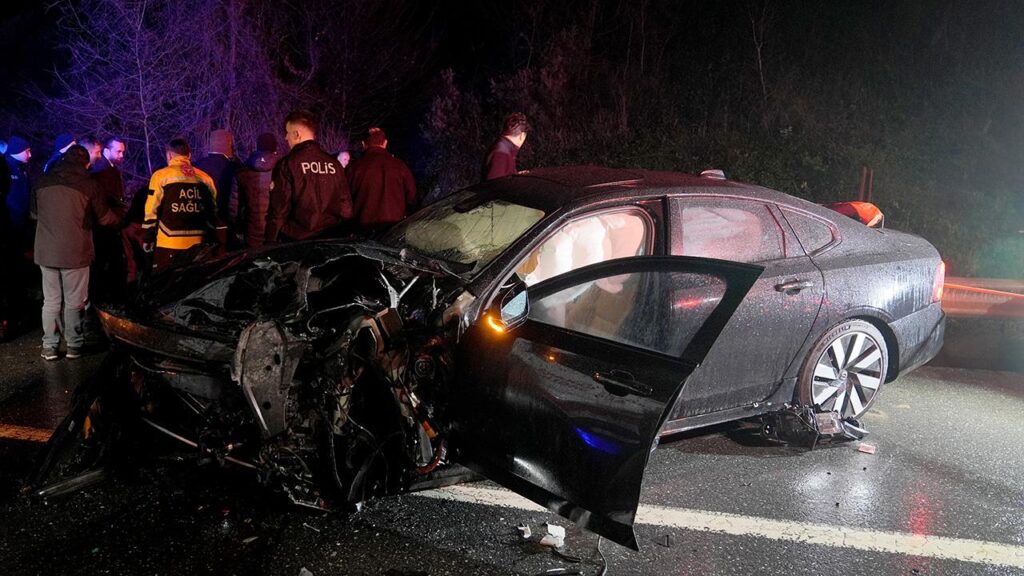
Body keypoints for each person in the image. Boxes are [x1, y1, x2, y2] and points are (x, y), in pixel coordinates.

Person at [32, 145, 123, 360]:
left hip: (46, 251)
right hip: (76, 251)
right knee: (75, 301)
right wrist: (120, 216)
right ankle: (74, 344)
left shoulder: (42, 181)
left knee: (51, 300)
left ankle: (50, 346)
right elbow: (105, 218)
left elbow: (33, 214)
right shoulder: (90, 185)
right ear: (85, 163)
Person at [265, 110, 353, 243]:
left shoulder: (288, 164)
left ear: (297, 134)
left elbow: (278, 211)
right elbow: (346, 207)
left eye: (287, 133)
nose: (285, 138)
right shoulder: (334, 164)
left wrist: (269, 242)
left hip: (297, 241)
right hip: (330, 239)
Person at [143, 138, 225, 271]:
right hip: (199, 244)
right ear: (189, 156)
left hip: (169, 243)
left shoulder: (160, 176)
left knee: (166, 286)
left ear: (169, 155)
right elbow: (214, 210)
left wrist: (148, 237)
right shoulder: (205, 178)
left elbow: (151, 210)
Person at [346, 127, 417, 235]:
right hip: (393, 230)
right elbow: (412, 197)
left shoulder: (353, 168)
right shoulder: (400, 166)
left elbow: (343, 201)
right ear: (385, 143)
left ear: (364, 144)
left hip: (362, 230)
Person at [89, 136, 128, 303]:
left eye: (123, 152)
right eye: (118, 151)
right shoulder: (101, 171)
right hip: (105, 225)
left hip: (109, 223)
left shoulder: (109, 169)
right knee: (107, 262)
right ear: (106, 150)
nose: (121, 155)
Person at [233, 133, 280, 249]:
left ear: (257, 147)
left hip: (250, 231)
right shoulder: (282, 168)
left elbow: (233, 206)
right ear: (274, 149)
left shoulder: (242, 170)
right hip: (276, 233)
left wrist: (236, 228)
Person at [194, 129, 241, 228]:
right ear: (228, 144)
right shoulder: (234, 167)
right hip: (226, 219)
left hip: (202, 219)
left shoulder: (198, 165)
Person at [482, 112, 529, 181]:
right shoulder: (501, 154)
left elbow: (505, 177)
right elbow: (494, 186)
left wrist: (517, 175)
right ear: (522, 136)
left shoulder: (504, 148)